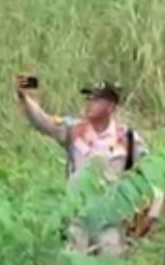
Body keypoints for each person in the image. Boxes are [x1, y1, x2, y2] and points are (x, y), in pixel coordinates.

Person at [17, 79, 155, 255]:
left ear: (110, 106)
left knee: (109, 264)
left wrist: (149, 214)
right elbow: (44, 122)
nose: (89, 103)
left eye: (96, 100)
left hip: (110, 220)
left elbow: (150, 174)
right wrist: (24, 96)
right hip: (78, 215)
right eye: (89, 98)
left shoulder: (128, 138)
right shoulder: (74, 129)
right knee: (74, 262)